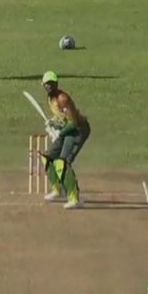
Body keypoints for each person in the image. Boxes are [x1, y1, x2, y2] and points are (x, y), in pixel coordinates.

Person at [40, 71, 92, 209]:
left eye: (52, 83)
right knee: (47, 158)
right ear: (43, 85)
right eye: (47, 84)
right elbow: (62, 118)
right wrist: (53, 123)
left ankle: (75, 199)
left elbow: (73, 123)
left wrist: (59, 133)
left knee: (62, 162)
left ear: (56, 84)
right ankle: (58, 190)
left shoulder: (62, 98)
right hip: (67, 129)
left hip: (78, 130)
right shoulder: (50, 99)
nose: (49, 86)